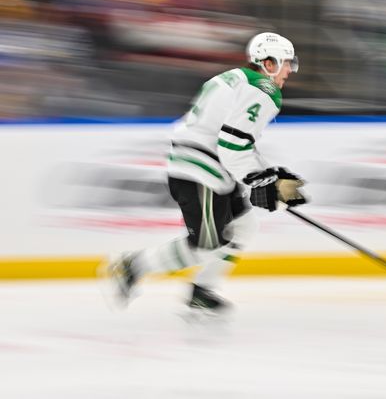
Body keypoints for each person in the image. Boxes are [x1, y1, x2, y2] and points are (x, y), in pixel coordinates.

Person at [106, 32, 308, 315]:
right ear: (269, 63)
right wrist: (259, 179)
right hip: (201, 170)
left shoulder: (236, 78)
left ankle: (203, 290)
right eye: (287, 63)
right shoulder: (264, 89)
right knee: (205, 245)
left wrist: (268, 175)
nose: (290, 70)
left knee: (243, 226)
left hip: (205, 165)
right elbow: (232, 144)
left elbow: (235, 141)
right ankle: (132, 266)